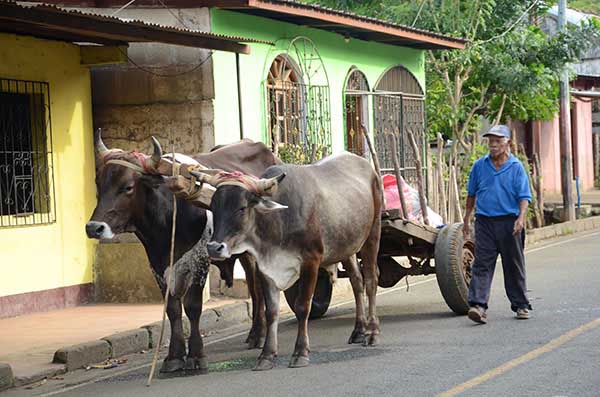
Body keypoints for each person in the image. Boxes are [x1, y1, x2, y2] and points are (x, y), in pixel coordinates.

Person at [463, 124, 532, 324]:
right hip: (485, 222)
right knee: (482, 264)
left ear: (507, 143)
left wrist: (521, 218)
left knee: (513, 265)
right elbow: (471, 194)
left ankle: (521, 305)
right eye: (491, 141)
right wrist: (467, 218)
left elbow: (524, 196)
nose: (493, 145)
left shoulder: (516, 167)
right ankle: (478, 305)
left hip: (510, 223)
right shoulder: (479, 166)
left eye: (498, 141)